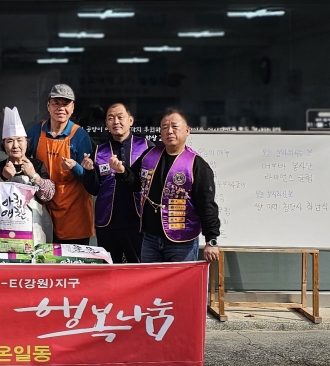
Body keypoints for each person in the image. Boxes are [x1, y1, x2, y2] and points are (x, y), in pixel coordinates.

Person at [112, 109, 221, 263]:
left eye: (174, 127)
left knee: (180, 280)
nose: (169, 131)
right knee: (151, 278)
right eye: (164, 127)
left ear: (187, 131)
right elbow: (135, 183)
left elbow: (206, 204)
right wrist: (122, 171)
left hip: (181, 240)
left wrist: (211, 239)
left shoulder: (196, 164)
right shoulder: (149, 155)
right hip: (149, 238)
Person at [82, 102, 151, 263]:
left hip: (138, 220)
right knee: (109, 268)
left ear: (130, 121)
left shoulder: (147, 147)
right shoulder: (99, 151)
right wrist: (89, 171)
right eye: (111, 118)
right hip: (108, 222)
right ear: (106, 123)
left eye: (120, 117)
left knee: (139, 267)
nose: (116, 122)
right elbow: (94, 189)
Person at [25, 84, 94, 244]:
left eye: (65, 104)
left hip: (74, 212)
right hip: (43, 208)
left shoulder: (80, 136)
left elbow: (89, 179)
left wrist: (75, 167)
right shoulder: (35, 132)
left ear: (72, 107)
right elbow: (21, 158)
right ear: (48, 105)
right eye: (56, 103)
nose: (60, 108)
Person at [0, 107, 55, 203]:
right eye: (10, 141)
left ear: (26, 142)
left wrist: (34, 176)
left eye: (19, 140)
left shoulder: (37, 165)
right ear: (4, 145)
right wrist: (3, 178)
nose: (15, 145)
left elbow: (48, 196)